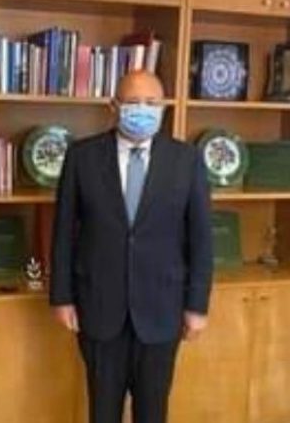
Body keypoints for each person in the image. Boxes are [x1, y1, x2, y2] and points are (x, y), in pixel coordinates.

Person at [50, 71, 213, 423]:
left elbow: (201, 238)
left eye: (151, 103)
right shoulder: (82, 156)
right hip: (99, 308)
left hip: (162, 311)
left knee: (153, 413)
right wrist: (62, 297)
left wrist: (197, 306)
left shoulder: (186, 160)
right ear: (114, 106)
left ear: (164, 108)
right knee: (102, 412)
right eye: (133, 102)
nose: (143, 110)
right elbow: (63, 232)